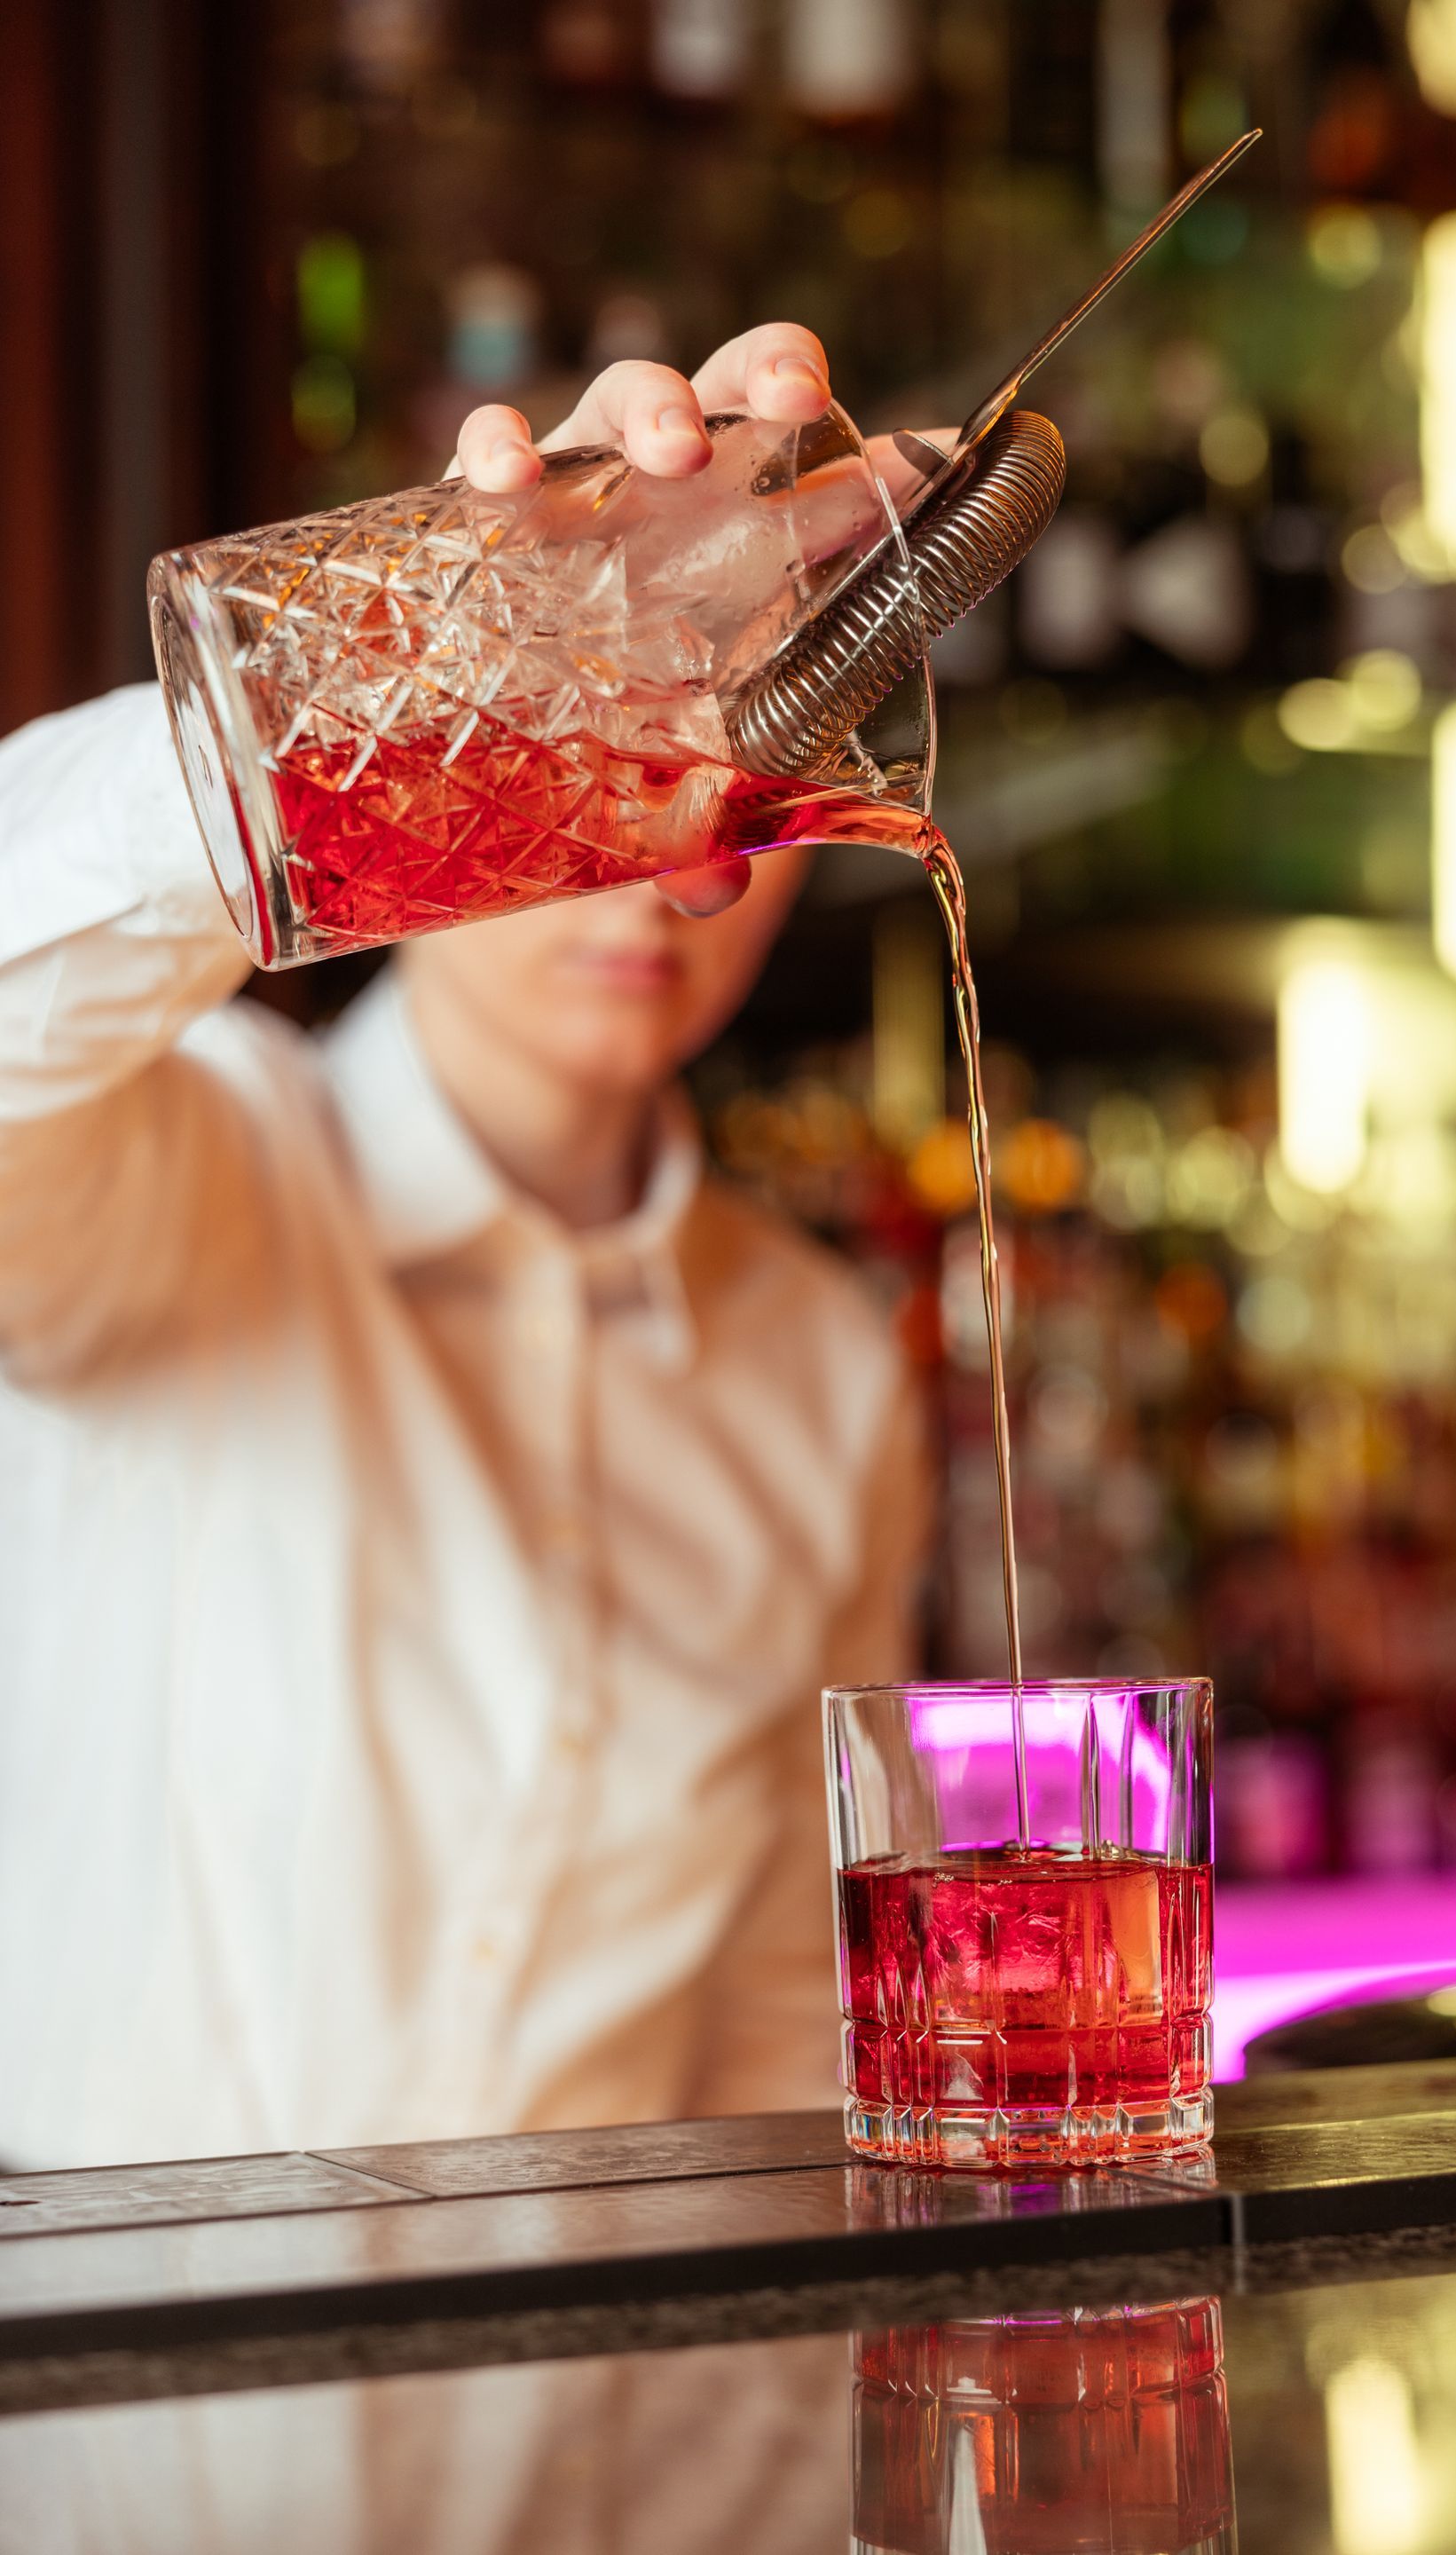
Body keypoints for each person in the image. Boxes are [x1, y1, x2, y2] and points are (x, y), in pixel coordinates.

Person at [0, 325, 932, 2168]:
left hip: (610, 2446)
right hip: (130, 2444)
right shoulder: (185, 1176)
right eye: (580, 731)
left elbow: (774, 2031)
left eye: (734, 732)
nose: (646, 818)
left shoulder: (821, 1369)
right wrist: (394, 663)